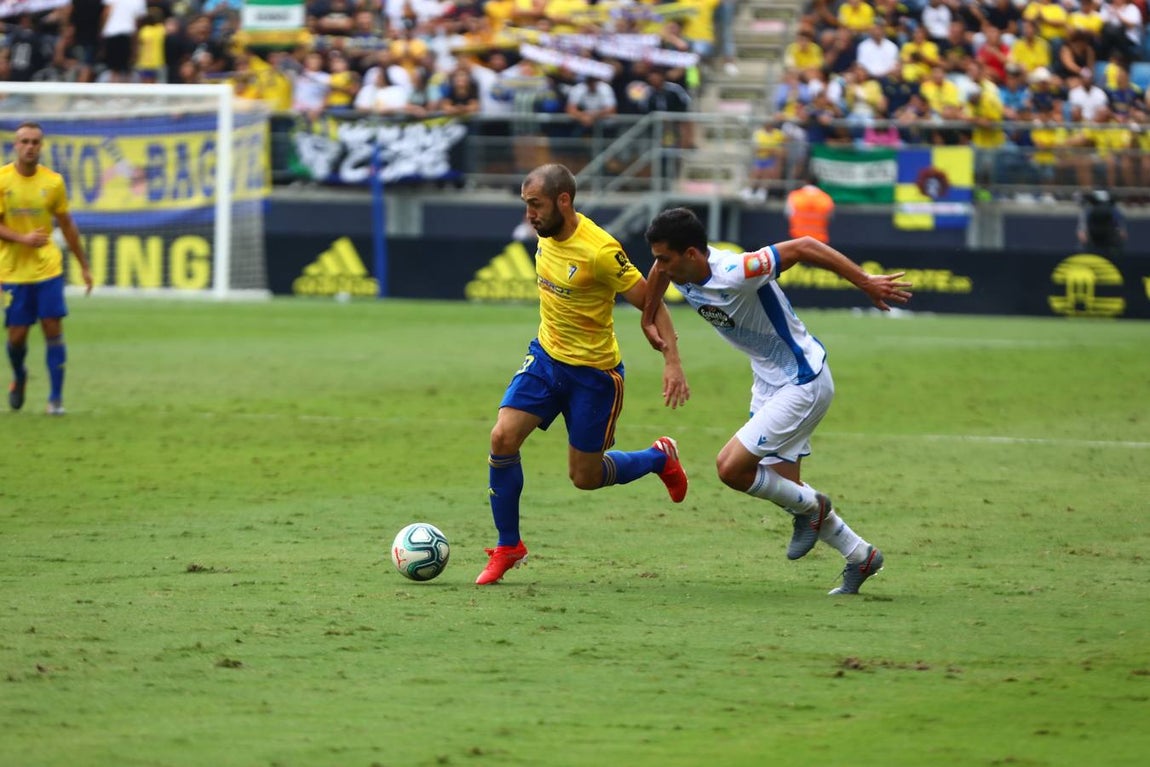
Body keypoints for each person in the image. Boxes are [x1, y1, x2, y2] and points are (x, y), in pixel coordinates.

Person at [640, 208, 912, 595]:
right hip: (768, 380)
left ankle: (814, 508)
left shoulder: (737, 270)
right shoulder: (675, 269)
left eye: (665, 259)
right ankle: (860, 555)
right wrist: (647, 316)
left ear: (692, 255)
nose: (660, 268)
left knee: (731, 468)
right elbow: (655, 274)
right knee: (786, 490)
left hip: (802, 380)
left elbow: (804, 246)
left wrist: (865, 281)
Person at [476, 164, 691, 586]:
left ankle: (658, 457)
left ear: (563, 201)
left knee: (585, 478)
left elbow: (652, 301)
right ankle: (508, 546)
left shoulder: (599, 250)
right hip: (546, 358)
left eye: (535, 205)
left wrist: (672, 360)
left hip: (594, 375)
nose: (530, 215)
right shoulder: (543, 237)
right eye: (525, 206)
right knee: (502, 437)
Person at [0, 122, 94, 415]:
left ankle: (55, 399)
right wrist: (22, 238)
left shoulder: (53, 183)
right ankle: (20, 375)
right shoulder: (2, 180)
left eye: (35, 142)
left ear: (42, 146)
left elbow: (67, 226)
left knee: (52, 328)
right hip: (13, 271)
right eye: (25, 141)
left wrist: (84, 265)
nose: (30, 147)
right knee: (16, 337)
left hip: (47, 269)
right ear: (16, 145)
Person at [785, 176, 835, 243]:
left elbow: (788, 214)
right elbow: (829, 217)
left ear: (806, 182)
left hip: (798, 239)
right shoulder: (826, 198)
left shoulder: (794, 196)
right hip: (819, 240)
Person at [1077, 189, 1126, 256]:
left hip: (1109, 241)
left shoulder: (1114, 210)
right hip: (1092, 241)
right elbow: (1082, 230)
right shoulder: (1088, 211)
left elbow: (1121, 229)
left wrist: (1120, 232)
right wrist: (1082, 232)